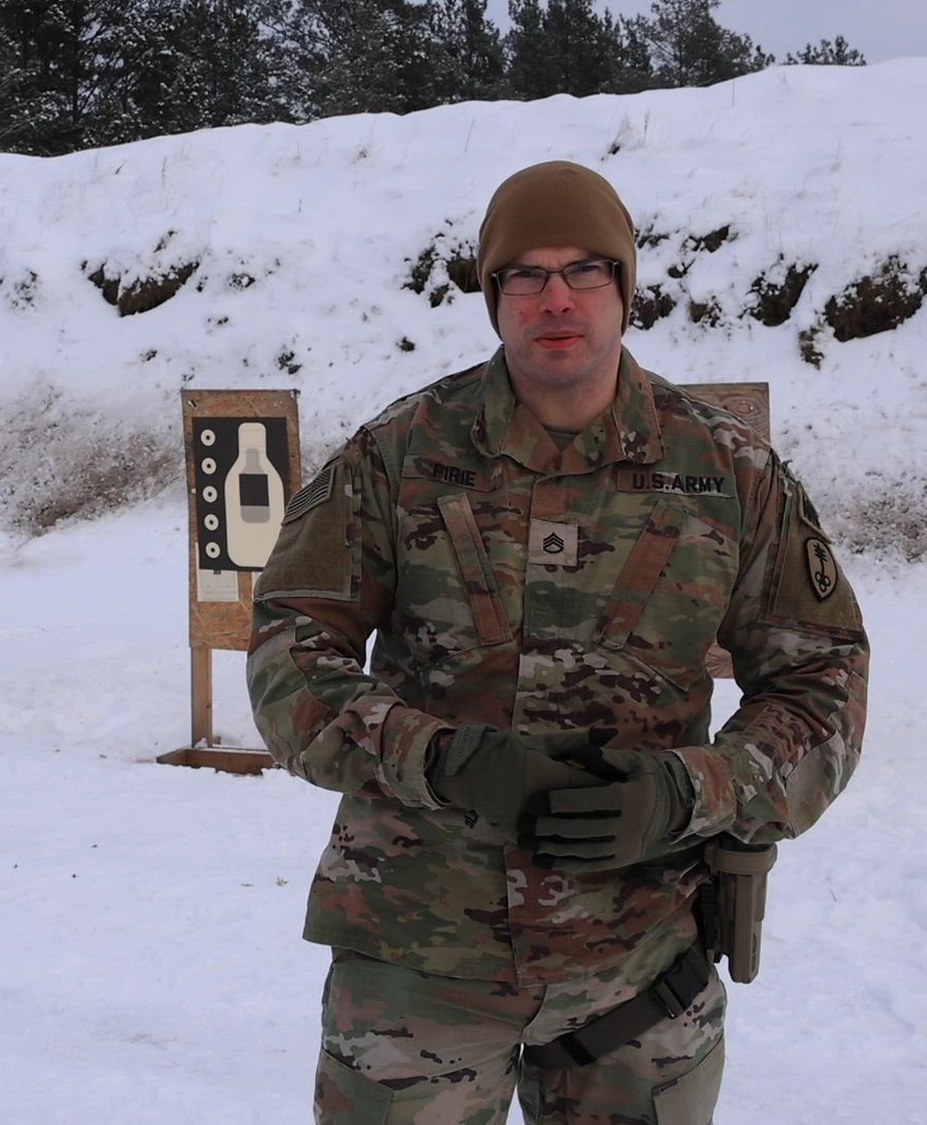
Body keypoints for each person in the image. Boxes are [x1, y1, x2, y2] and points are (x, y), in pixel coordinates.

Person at [245, 160, 869, 1125]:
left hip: (643, 962)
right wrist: (436, 756)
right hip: (421, 958)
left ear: (626, 288)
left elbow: (822, 677)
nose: (556, 299)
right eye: (524, 275)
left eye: (585, 270)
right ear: (493, 297)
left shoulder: (728, 471)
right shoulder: (398, 455)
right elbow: (289, 650)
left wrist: (692, 790)